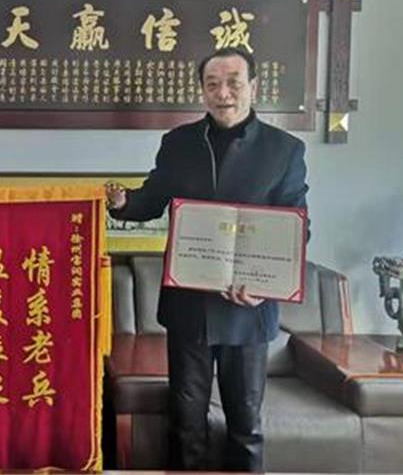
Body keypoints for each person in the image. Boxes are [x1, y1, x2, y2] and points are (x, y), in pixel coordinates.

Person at [105, 47, 308, 473]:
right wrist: (122, 203)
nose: (223, 93)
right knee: (186, 424)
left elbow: (296, 225)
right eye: (212, 84)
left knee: (246, 426)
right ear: (202, 91)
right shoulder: (179, 143)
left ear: (254, 87)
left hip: (248, 309)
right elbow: (152, 199)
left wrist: (266, 283)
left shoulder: (284, 149)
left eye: (234, 83)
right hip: (189, 307)